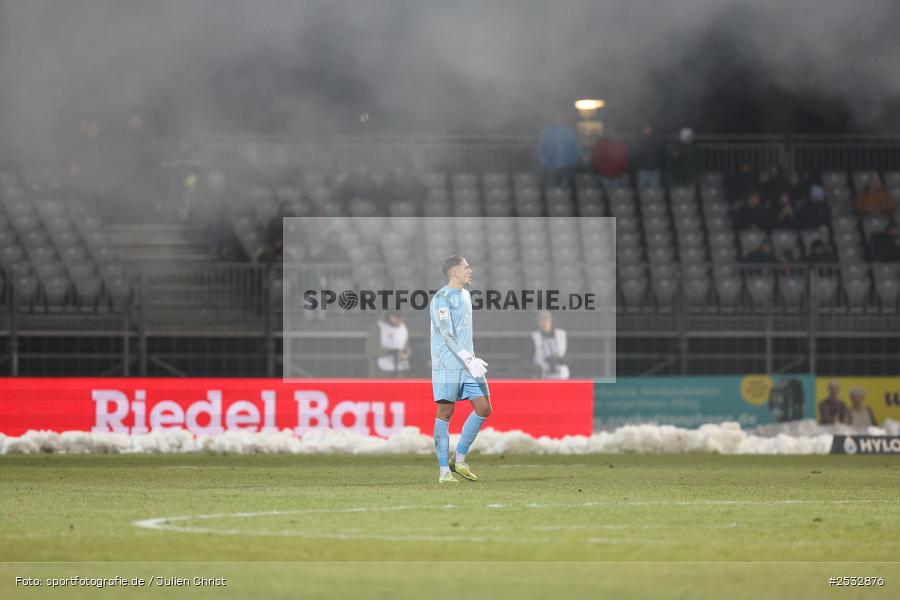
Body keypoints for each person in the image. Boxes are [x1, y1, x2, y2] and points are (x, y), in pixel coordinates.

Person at [429, 255, 491, 484]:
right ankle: (444, 470)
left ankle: (459, 459)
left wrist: (470, 359)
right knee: (445, 412)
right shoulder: (441, 298)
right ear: (454, 272)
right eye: (466, 267)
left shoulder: (465, 295)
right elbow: (446, 334)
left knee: (484, 408)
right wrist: (467, 357)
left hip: (468, 364)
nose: (469, 270)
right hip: (448, 365)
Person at [366, 311, 411, 377]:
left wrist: (405, 353)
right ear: (390, 316)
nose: (399, 320)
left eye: (401, 318)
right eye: (397, 318)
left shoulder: (403, 328)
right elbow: (371, 349)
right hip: (381, 370)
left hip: (400, 368)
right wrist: (390, 352)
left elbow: (407, 347)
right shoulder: (377, 328)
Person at [531, 311, 570, 379]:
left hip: (561, 375)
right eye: (541, 321)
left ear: (551, 321)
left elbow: (570, 356)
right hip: (542, 375)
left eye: (546, 320)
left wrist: (558, 360)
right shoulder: (534, 337)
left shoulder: (562, 335)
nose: (544, 323)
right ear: (538, 323)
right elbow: (528, 359)